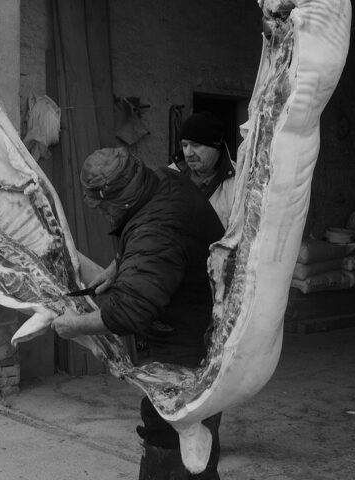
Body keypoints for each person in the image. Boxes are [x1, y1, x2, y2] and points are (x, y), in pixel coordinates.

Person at [52, 147, 224, 480]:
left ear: (118, 200)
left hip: (192, 336)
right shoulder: (159, 179)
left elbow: (130, 312)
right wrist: (118, 266)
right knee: (193, 421)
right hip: (197, 313)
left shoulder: (155, 231)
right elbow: (153, 241)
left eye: (104, 207)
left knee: (172, 423)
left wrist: (75, 326)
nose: (102, 214)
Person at [171, 111, 235, 229]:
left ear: (216, 146)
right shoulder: (171, 174)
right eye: (185, 145)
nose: (188, 153)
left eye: (196, 145)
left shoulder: (238, 181)